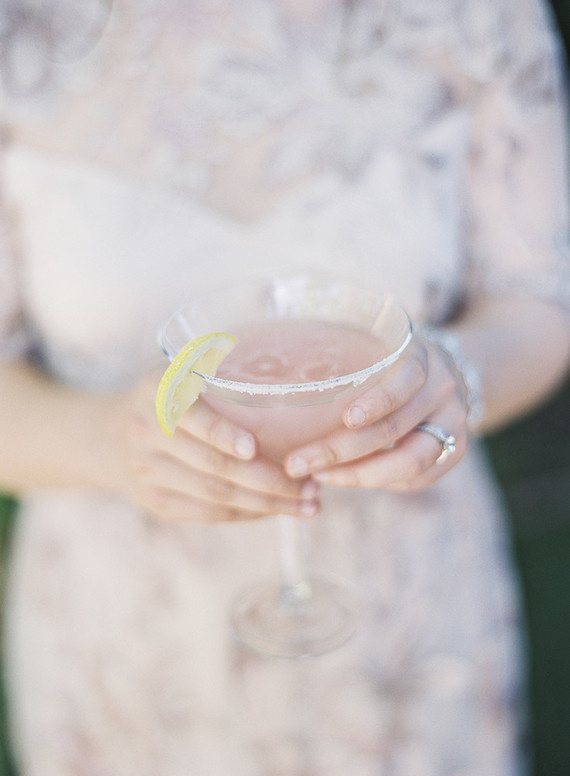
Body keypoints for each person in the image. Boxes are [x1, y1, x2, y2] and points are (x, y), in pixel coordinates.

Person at [0, 0, 569, 774]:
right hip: (127, 632)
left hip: (411, 615)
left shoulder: (477, 16)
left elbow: (539, 298)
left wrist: (458, 378)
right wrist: (114, 444)